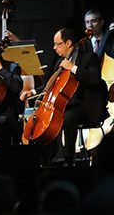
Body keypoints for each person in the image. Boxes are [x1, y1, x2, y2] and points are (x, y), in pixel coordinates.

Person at [29, 28, 109, 166]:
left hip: (87, 107)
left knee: (67, 117)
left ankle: (68, 159)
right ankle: (47, 157)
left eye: (57, 44)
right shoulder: (60, 62)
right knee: (46, 118)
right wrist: (33, 92)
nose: (54, 48)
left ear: (68, 43)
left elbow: (95, 79)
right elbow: (51, 84)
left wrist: (73, 68)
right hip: (69, 105)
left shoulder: (89, 58)